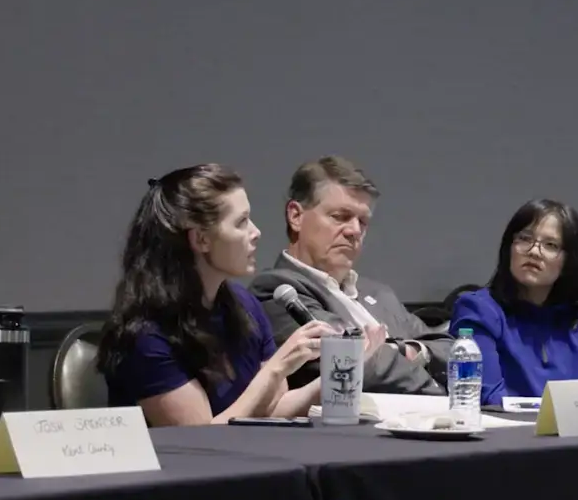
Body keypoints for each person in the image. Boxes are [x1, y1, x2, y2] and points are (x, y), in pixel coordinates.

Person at [97, 164, 383, 426]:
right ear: (201, 239)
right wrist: (276, 368)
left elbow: (271, 409)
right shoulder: (147, 335)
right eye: (241, 222)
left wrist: (345, 369)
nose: (256, 232)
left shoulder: (243, 305)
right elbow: (201, 439)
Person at [252, 156, 451, 395]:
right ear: (296, 216)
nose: (354, 231)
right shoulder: (278, 290)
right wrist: (437, 388)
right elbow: (350, 360)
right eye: (340, 217)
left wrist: (414, 351)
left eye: (363, 222)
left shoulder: (379, 293)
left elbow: (452, 348)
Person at [449, 199, 578, 405]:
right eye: (524, 238)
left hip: (572, 435)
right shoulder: (479, 311)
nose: (534, 251)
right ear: (509, 247)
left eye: (550, 245)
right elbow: (489, 399)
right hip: (507, 433)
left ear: (570, 261)